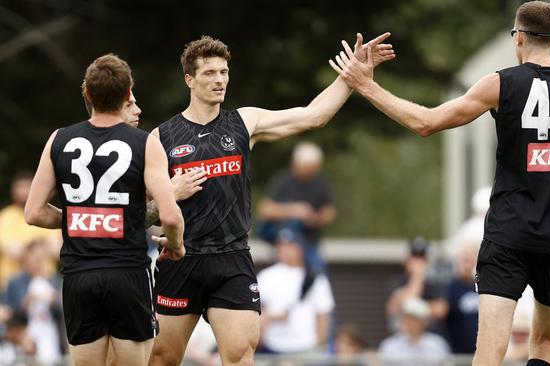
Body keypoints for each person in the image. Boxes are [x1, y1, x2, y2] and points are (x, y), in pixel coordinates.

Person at [329, 1, 550, 365]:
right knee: (545, 344)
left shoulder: (500, 83)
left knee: (489, 350)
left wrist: (367, 86)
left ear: (518, 38)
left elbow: (426, 122)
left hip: (509, 235)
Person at [146, 34, 395, 366]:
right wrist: (167, 199)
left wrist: (350, 75)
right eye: (209, 73)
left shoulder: (244, 122)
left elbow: (313, 115)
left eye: (224, 72)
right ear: (189, 79)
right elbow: (138, 211)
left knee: (239, 356)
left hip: (231, 260)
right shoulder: (161, 138)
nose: (219, 80)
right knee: (162, 357)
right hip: (181, 260)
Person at [23, 54, 185, 366]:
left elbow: (33, 212)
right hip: (128, 274)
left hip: (78, 277)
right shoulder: (144, 143)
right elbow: (170, 216)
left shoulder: (59, 139)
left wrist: (78, 219)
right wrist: (176, 246)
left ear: (87, 95)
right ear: (127, 95)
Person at [257, 141, 336, 273]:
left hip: (310, 243)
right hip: (284, 245)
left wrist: (316, 219)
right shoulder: (283, 180)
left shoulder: (320, 183)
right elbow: (265, 209)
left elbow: (330, 211)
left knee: (317, 273)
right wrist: (294, 211)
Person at [257, 228, 335, 354]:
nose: (284, 250)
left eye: (289, 246)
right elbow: (257, 310)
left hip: (305, 346)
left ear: (300, 249)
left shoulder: (314, 277)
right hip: (272, 345)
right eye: (280, 245)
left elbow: (323, 313)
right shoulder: (266, 276)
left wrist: (320, 343)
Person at [0, 171, 61, 289]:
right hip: (11, 286)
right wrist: (39, 249)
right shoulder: (5, 217)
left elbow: (56, 250)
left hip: (47, 283)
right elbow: (10, 251)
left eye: (28, 186)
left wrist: (25, 249)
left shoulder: (47, 214)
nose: (23, 191)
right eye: (20, 187)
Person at [385, 237, 447, 335]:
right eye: (415, 257)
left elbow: (441, 310)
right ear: (407, 260)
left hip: (430, 338)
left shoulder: (436, 283)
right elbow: (394, 307)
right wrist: (417, 278)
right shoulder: (397, 281)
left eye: (422, 257)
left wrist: (415, 307)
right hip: (403, 338)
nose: (418, 262)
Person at [378, 296, 450, 366]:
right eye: (407, 318)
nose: (410, 322)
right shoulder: (389, 345)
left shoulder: (437, 344)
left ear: (424, 322)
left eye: (414, 319)